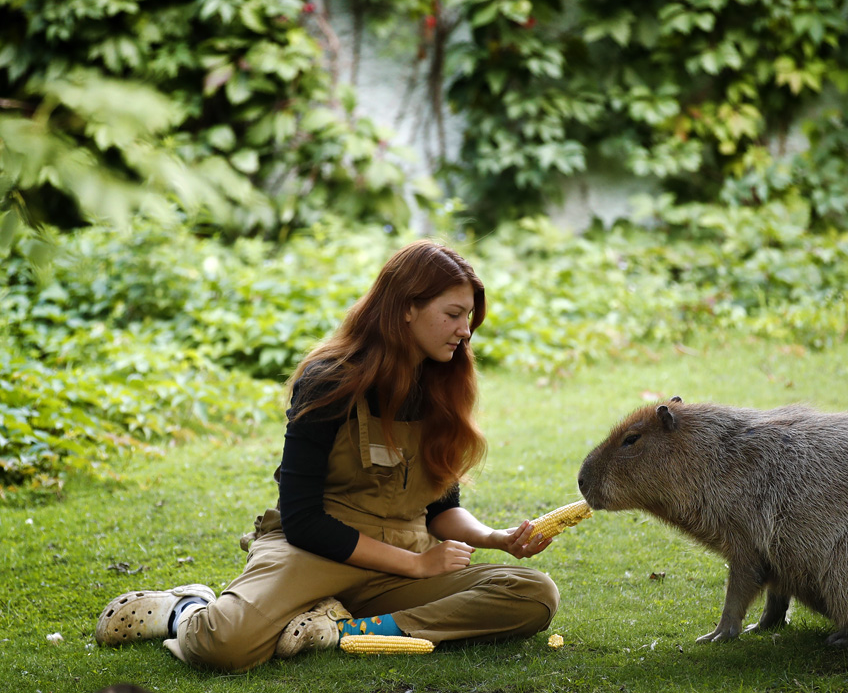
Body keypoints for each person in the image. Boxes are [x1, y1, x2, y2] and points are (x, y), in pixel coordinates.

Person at [95, 241, 559, 671]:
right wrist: (418, 566)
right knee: (227, 645)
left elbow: (440, 509)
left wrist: (495, 537)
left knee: (533, 595)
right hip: (315, 551)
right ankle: (183, 609)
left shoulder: (444, 384)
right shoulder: (329, 379)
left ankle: (338, 631)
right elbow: (302, 518)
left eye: (469, 318)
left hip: (401, 560)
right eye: (454, 314)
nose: (465, 331)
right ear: (406, 310)